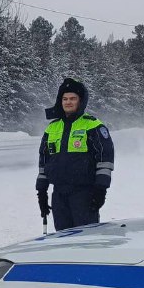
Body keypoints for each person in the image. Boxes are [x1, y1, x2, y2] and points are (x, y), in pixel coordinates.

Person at [36, 78, 114, 230]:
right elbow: (44, 161)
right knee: (63, 239)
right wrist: (42, 193)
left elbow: (105, 159)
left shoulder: (93, 125)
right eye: (65, 99)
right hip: (59, 194)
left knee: (86, 240)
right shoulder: (52, 128)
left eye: (73, 98)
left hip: (84, 194)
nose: (68, 102)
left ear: (81, 101)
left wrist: (101, 189)